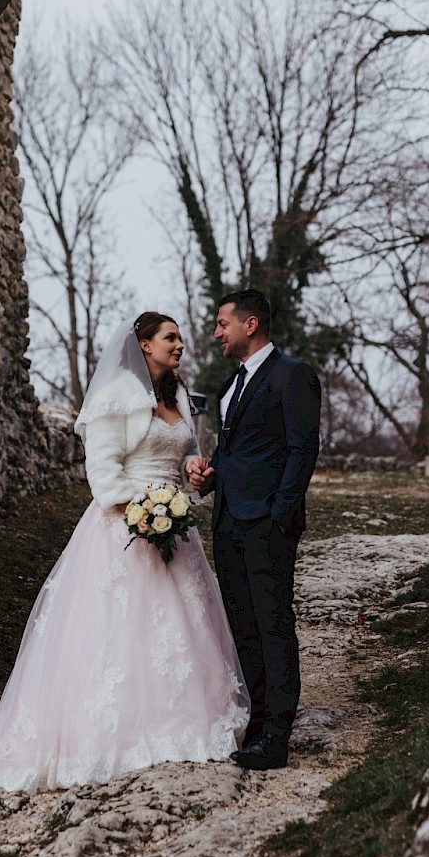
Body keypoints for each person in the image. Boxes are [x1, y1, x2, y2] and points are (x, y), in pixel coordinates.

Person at [0, 313, 249, 793]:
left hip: (174, 528)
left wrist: (196, 475)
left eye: (179, 338)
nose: (180, 345)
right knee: (118, 632)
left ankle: (188, 719)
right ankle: (112, 733)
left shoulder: (178, 395)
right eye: (170, 338)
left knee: (184, 631)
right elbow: (104, 476)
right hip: (123, 529)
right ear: (143, 344)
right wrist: (145, 505)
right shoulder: (115, 398)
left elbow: (186, 459)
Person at [186, 289, 321, 771]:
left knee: (273, 625)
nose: (216, 332)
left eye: (223, 323)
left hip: (266, 525)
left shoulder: (293, 376)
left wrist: (279, 515)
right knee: (243, 627)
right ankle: (256, 724)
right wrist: (210, 476)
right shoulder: (229, 388)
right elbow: (235, 455)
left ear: (251, 325)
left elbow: (301, 451)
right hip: (227, 523)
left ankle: (278, 736)